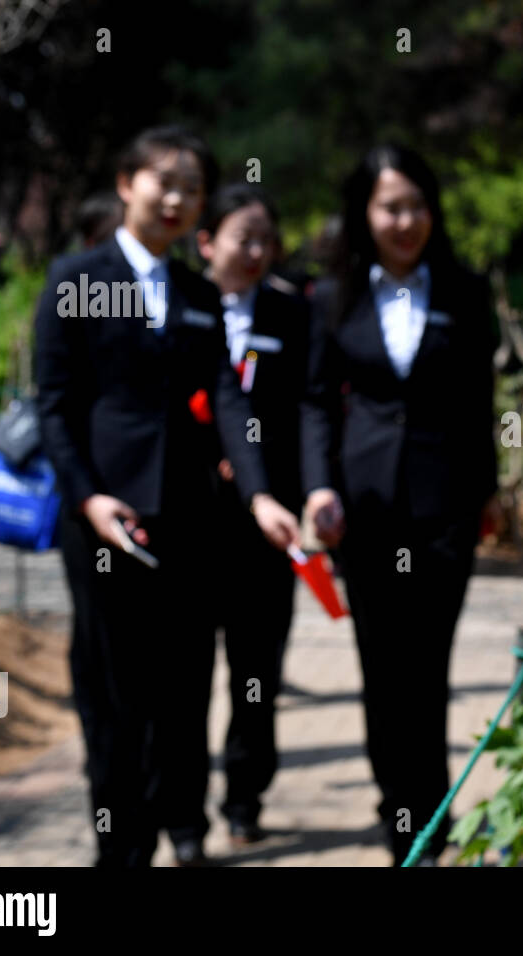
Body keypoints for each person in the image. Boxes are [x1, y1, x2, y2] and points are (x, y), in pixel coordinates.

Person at [33, 125, 300, 867]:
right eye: (165, 182)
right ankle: (120, 843)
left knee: (184, 685)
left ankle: (181, 821)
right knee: (114, 693)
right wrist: (87, 498)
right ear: (127, 183)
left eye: (193, 188)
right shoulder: (76, 276)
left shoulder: (195, 293)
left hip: (191, 520)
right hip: (105, 524)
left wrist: (258, 497)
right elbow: (54, 405)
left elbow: (227, 399)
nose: (179, 199)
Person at [301, 144, 501, 866]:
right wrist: (318, 487)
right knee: (382, 670)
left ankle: (433, 826)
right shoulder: (330, 297)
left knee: (430, 668)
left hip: (444, 506)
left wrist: (489, 489)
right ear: (365, 213)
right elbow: (317, 401)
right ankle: (400, 817)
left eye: (416, 205)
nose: (405, 220)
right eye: (390, 207)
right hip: (365, 508)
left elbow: (481, 400)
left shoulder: (464, 291)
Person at [195, 184, 309, 845]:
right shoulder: (178, 306)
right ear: (208, 241)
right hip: (191, 517)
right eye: (244, 237)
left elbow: (306, 408)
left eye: (267, 238)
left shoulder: (291, 314)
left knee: (257, 671)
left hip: (268, 523)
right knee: (182, 671)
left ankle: (244, 800)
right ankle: (178, 809)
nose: (258, 251)